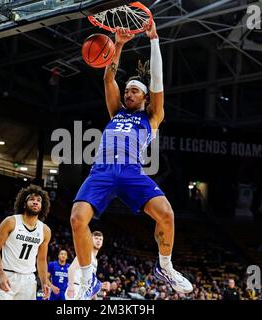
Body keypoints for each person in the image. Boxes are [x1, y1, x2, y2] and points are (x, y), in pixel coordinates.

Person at [70, 20, 193, 299]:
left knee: (167, 215)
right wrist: (120, 44)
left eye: (134, 91)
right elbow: (108, 78)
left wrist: (154, 41)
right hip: (102, 170)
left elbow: (158, 82)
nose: (127, 93)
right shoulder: (116, 112)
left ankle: (165, 266)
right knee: (77, 219)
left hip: (130, 171)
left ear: (145, 97)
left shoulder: (152, 117)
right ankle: (88, 277)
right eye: (126, 91)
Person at [0, 184, 51, 300]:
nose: (35, 202)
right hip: (8, 275)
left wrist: (44, 281)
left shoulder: (45, 230)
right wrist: (1, 274)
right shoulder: (11, 222)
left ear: (42, 207)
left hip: (28, 279)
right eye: (31, 199)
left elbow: (42, 259)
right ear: (24, 204)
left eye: (39, 200)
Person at [65, 231, 106, 300]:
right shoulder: (85, 253)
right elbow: (71, 269)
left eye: (100, 239)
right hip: (76, 288)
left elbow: (90, 280)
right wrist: (71, 287)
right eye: (96, 238)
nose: (98, 241)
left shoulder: (95, 261)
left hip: (84, 292)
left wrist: (94, 297)